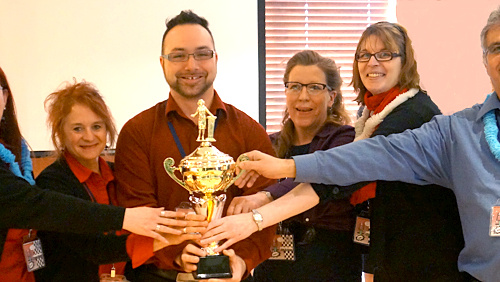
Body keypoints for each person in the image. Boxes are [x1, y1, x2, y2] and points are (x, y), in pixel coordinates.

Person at [216, 6, 500, 282]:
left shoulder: (413, 115)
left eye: (385, 54)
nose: (372, 63)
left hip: (425, 259)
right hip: (391, 254)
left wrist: (257, 212)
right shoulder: (369, 119)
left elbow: (346, 172)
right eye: (364, 55)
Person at [114, 10, 276, 282]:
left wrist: (241, 262)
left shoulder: (249, 132)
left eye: (202, 54)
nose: (191, 65)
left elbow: (266, 209)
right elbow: (137, 211)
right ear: (162, 63)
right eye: (178, 55)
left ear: (215, 59)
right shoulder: (137, 133)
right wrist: (177, 251)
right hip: (160, 276)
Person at [0, 67, 202, 282]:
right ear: (61, 134)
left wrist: (179, 233)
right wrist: (156, 238)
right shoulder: (53, 182)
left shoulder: (119, 174)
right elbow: (93, 248)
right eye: (77, 129)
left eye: (96, 126)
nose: (89, 136)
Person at [220, 50, 361, 281]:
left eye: (315, 87)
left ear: (332, 97)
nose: (303, 96)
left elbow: (313, 178)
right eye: (294, 86)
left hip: (330, 265)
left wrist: (264, 196)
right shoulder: (268, 143)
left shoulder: (345, 140)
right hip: (273, 267)